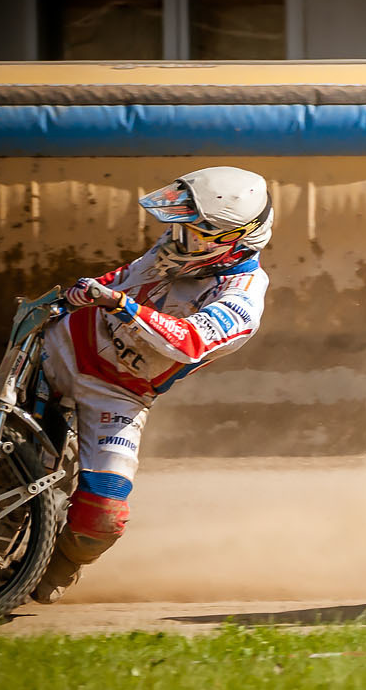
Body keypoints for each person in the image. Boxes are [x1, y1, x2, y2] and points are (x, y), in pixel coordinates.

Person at [30, 167, 272, 602]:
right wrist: (82, 293)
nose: (177, 237)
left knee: (102, 520)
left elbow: (190, 341)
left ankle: (51, 569)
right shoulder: (175, 250)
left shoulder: (244, 295)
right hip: (60, 350)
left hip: (121, 395)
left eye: (192, 231)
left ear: (230, 241)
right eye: (178, 226)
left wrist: (121, 306)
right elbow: (125, 278)